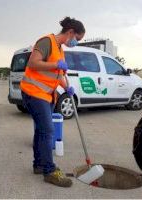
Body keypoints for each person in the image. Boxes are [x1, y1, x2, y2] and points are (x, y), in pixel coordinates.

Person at [20, 17, 85, 187]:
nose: (76, 42)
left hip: (47, 95)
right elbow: (33, 63)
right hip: (33, 93)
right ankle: (49, 170)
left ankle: (39, 165)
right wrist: (56, 64)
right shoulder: (46, 41)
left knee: (42, 131)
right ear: (70, 32)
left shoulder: (59, 48)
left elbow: (56, 74)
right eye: (77, 39)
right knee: (48, 131)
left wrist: (66, 87)